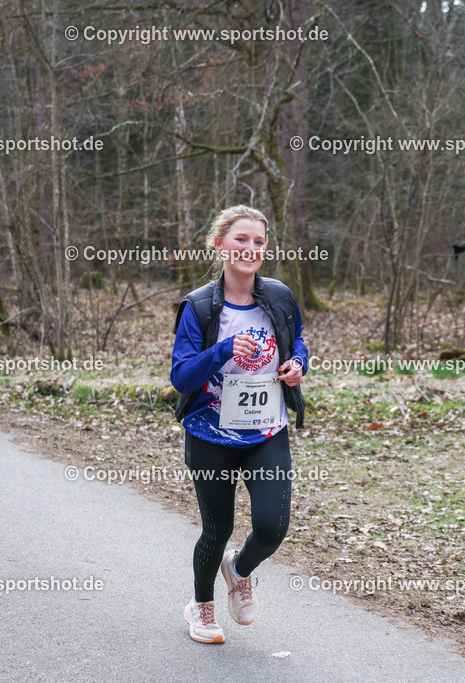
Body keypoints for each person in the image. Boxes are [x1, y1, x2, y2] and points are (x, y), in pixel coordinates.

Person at [170, 205, 308, 644]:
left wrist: (298, 364)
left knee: (272, 526)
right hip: (210, 433)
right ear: (220, 245)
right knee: (218, 528)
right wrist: (224, 349)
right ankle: (201, 607)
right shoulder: (200, 307)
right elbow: (181, 376)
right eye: (241, 239)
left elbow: (298, 340)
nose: (251, 248)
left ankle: (240, 569)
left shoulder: (280, 297)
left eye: (259, 241)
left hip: (267, 429)